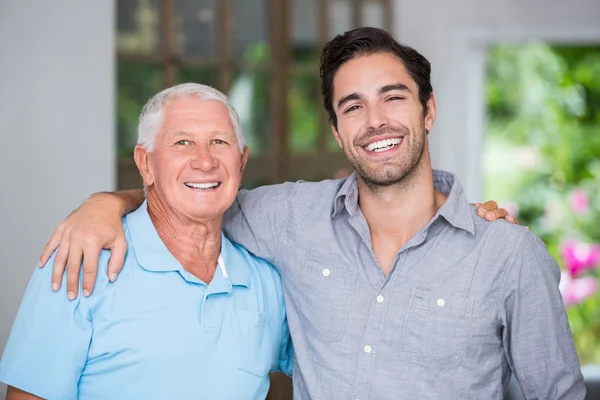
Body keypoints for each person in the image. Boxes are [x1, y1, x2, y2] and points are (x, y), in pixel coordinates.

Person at [35, 27, 584, 399]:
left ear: (429, 109)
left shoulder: (508, 254)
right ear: (336, 129)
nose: (376, 121)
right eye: (353, 106)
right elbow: (198, 192)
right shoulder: (289, 216)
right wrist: (105, 204)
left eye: (393, 98)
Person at [0, 84, 292, 399]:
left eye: (219, 141)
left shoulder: (266, 279)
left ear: (241, 161)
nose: (205, 162)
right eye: (183, 142)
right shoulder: (82, 262)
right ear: (146, 163)